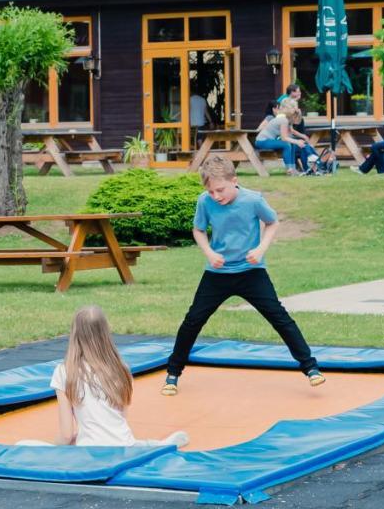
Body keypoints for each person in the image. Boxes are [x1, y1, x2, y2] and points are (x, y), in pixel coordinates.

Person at [163, 155, 324, 396]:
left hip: (251, 272)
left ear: (234, 180)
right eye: (211, 191)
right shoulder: (205, 201)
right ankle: (173, 373)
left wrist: (260, 250)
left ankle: (311, 368)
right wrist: (209, 252)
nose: (216, 196)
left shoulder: (253, 200)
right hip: (218, 272)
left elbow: (272, 222)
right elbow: (198, 229)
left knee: (279, 317)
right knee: (193, 320)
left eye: (220, 190)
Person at [22, 305, 189, 448]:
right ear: (105, 333)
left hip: (90, 451)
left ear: (75, 334)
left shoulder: (65, 371)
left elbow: (66, 435)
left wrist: (58, 445)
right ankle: (156, 446)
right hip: (124, 444)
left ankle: (154, 446)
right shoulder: (121, 368)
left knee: (29, 445)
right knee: (134, 444)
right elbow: (120, 418)